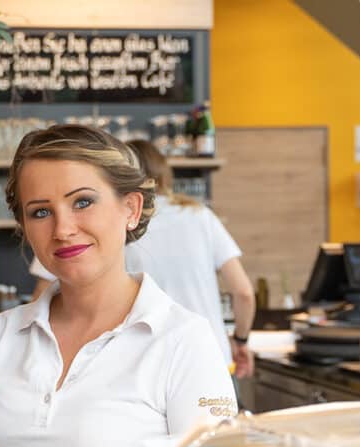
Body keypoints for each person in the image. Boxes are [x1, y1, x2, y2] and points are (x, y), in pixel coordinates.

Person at [0, 125, 237, 447]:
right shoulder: (1, 336)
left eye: (82, 202)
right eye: (41, 212)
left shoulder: (184, 341)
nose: (62, 229)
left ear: (130, 209)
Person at [29, 140, 256, 378]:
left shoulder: (107, 219)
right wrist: (240, 340)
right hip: (211, 356)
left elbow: (40, 303)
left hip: (137, 364)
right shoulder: (200, 215)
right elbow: (244, 292)